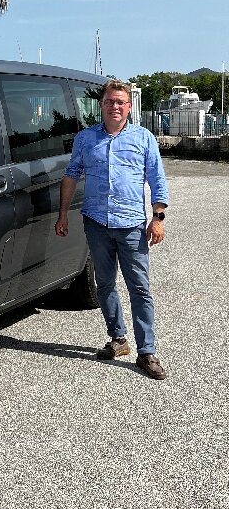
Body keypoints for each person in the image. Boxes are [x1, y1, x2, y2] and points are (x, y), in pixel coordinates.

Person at [55, 79, 169, 380]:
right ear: (101, 105)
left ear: (129, 107)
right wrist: (63, 214)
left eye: (121, 102)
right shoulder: (85, 139)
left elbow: (157, 180)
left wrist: (158, 218)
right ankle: (118, 339)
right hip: (96, 223)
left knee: (140, 289)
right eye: (110, 101)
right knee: (104, 285)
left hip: (132, 226)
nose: (115, 106)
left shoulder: (143, 139)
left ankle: (147, 352)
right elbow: (71, 175)